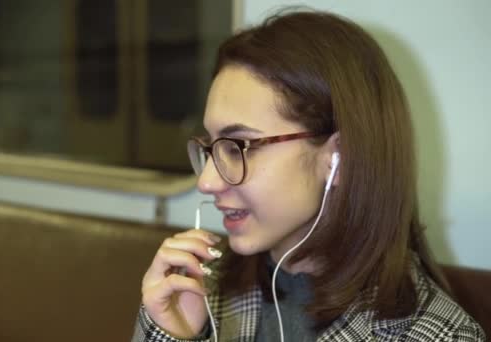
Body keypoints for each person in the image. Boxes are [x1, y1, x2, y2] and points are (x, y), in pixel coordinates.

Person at [131, 8, 486, 342]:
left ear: (339, 159)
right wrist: (173, 335)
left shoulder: (436, 333)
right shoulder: (202, 287)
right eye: (211, 148)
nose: (207, 182)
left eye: (239, 146)